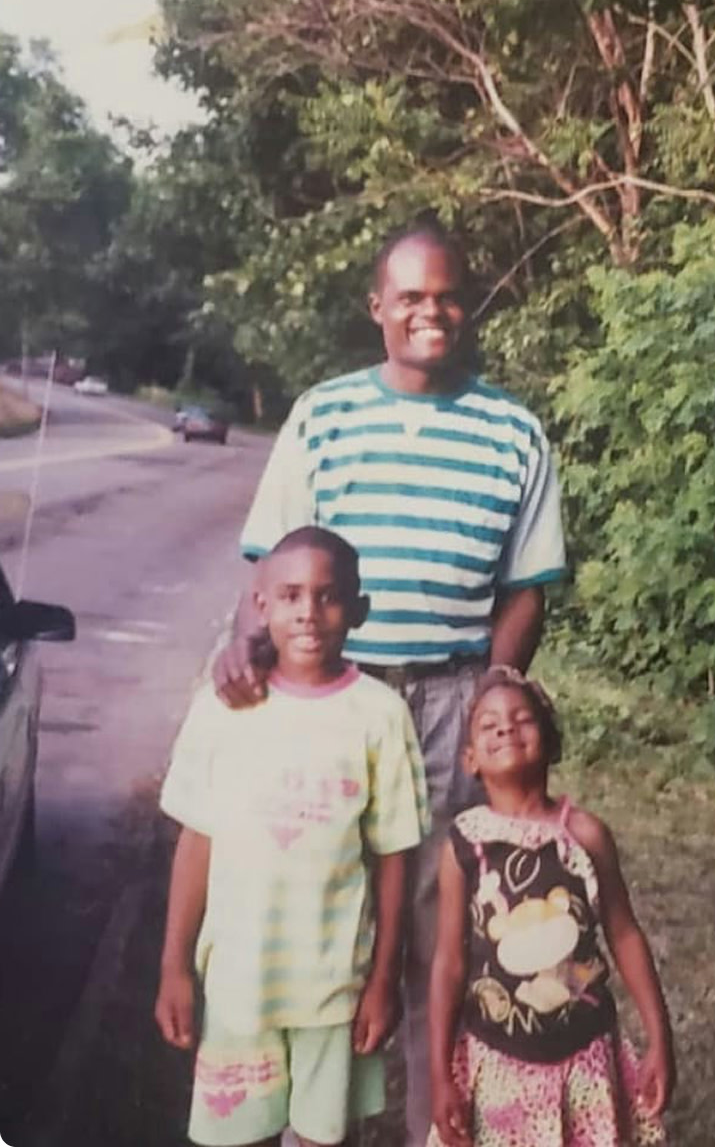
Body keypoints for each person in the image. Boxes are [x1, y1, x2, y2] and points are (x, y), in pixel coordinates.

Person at [213, 219, 567, 1145]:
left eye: (446, 294)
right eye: (409, 296)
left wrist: (495, 684)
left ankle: (435, 1126)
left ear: (470, 305)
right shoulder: (322, 415)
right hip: (333, 698)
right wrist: (242, 644)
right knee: (322, 910)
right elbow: (273, 566)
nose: (430, 311)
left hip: (451, 702)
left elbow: (528, 586)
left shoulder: (515, 431)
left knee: (438, 930)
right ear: (378, 308)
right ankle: (303, 1125)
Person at [155, 526, 429, 1147]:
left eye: (329, 597)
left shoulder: (380, 715)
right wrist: (175, 964)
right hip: (238, 983)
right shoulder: (224, 707)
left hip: (333, 987)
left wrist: (383, 980)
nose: (309, 612)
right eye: (290, 595)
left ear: (358, 611)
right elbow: (197, 839)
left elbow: (394, 858)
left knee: (320, 1139)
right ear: (260, 606)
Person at [428, 665, 674, 1147]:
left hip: (585, 1059)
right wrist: (440, 1074)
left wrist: (660, 1040)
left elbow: (623, 934)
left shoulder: (584, 836)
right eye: (489, 724)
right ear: (469, 759)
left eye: (522, 718)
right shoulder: (464, 846)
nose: (505, 727)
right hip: (497, 1064)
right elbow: (449, 962)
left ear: (552, 742)